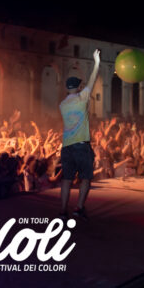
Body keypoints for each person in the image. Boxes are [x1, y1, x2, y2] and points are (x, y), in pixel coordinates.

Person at [59, 49, 100, 220]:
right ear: (77, 87)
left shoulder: (62, 105)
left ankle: (63, 211)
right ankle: (78, 208)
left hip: (67, 146)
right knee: (85, 178)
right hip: (81, 146)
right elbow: (92, 80)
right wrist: (96, 63)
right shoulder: (82, 98)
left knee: (66, 179)